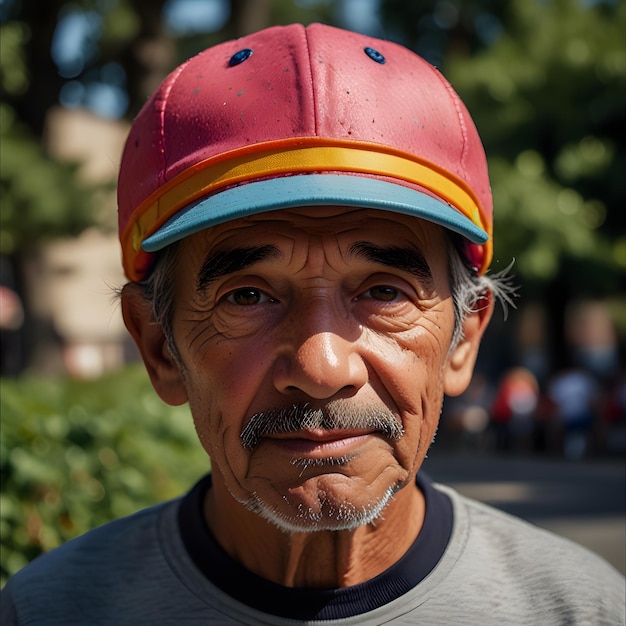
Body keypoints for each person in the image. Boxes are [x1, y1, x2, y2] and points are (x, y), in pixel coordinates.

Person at [2, 23, 623, 625]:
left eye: (385, 291)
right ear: (160, 347)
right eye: (247, 296)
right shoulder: (51, 611)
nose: (322, 369)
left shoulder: (580, 611)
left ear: (463, 337)